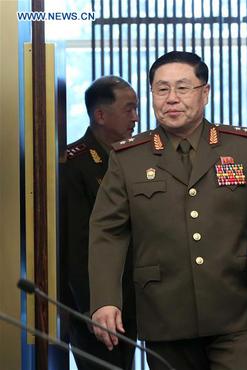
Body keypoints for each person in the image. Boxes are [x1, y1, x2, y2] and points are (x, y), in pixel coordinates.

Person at [88, 51, 247, 370]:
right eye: (162, 89)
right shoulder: (129, 158)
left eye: (183, 88)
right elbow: (107, 233)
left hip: (235, 310)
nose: (171, 98)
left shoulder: (242, 148)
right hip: (164, 314)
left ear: (205, 93)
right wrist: (105, 300)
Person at [61, 76, 138, 370]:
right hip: (96, 306)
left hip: (132, 297)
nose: (136, 117)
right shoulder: (74, 163)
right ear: (101, 115)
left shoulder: (130, 158)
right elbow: (77, 246)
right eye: (128, 109)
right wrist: (94, 307)